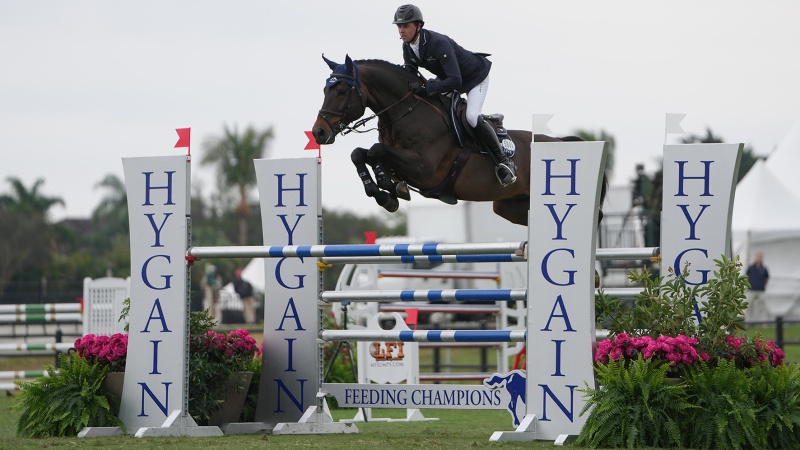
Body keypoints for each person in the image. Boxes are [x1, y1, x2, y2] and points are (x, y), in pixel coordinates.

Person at [393, 4, 517, 187]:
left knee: (472, 116)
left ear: (418, 26)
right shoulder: (408, 47)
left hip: (475, 77)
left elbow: (455, 81)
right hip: (448, 78)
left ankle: (504, 163)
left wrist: (429, 88)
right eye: (399, 26)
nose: (401, 31)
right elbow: (411, 73)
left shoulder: (437, 43)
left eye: (406, 26)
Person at [744, 252, 769, 322]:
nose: (759, 259)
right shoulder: (751, 268)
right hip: (751, 290)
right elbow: (747, 276)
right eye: (758, 257)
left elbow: (766, 278)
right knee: (748, 306)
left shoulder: (764, 269)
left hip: (761, 290)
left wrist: (762, 285)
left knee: (762, 307)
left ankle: (764, 323)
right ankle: (748, 322)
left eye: (760, 257)